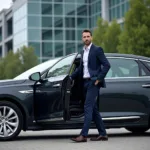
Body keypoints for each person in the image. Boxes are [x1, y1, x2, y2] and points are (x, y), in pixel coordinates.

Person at [70, 29, 111, 142]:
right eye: (84, 37)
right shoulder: (83, 51)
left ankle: (83, 135)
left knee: (87, 107)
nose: (86, 38)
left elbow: (107, 65)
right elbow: (80, 69)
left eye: (88, 36)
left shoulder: (97, 50)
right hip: (85, 83)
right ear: (82, 38)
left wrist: (98, 79)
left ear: (91, 37)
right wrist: (70, 77)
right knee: (93, 109)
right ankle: (103, 134)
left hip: (93, 82)